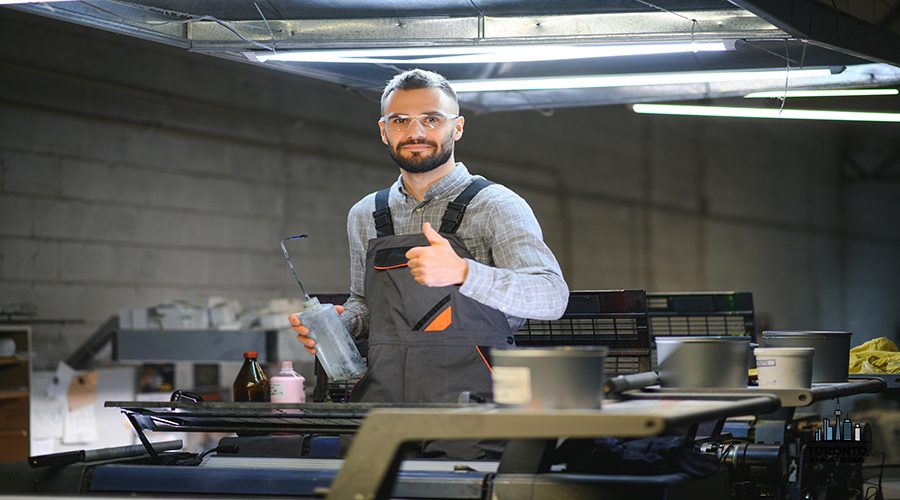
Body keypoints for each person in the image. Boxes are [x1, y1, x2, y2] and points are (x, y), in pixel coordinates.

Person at [289, 68, 568, 457]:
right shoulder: (366, 213)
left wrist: (464, 273)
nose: (415, 132)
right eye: (400, 120)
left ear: (457, 128)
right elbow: (365, 304)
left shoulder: (496, 206)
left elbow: (552, 297)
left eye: (432, 119)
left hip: (474, 412)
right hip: (380, 409)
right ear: (384, 130)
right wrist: (339, 326)